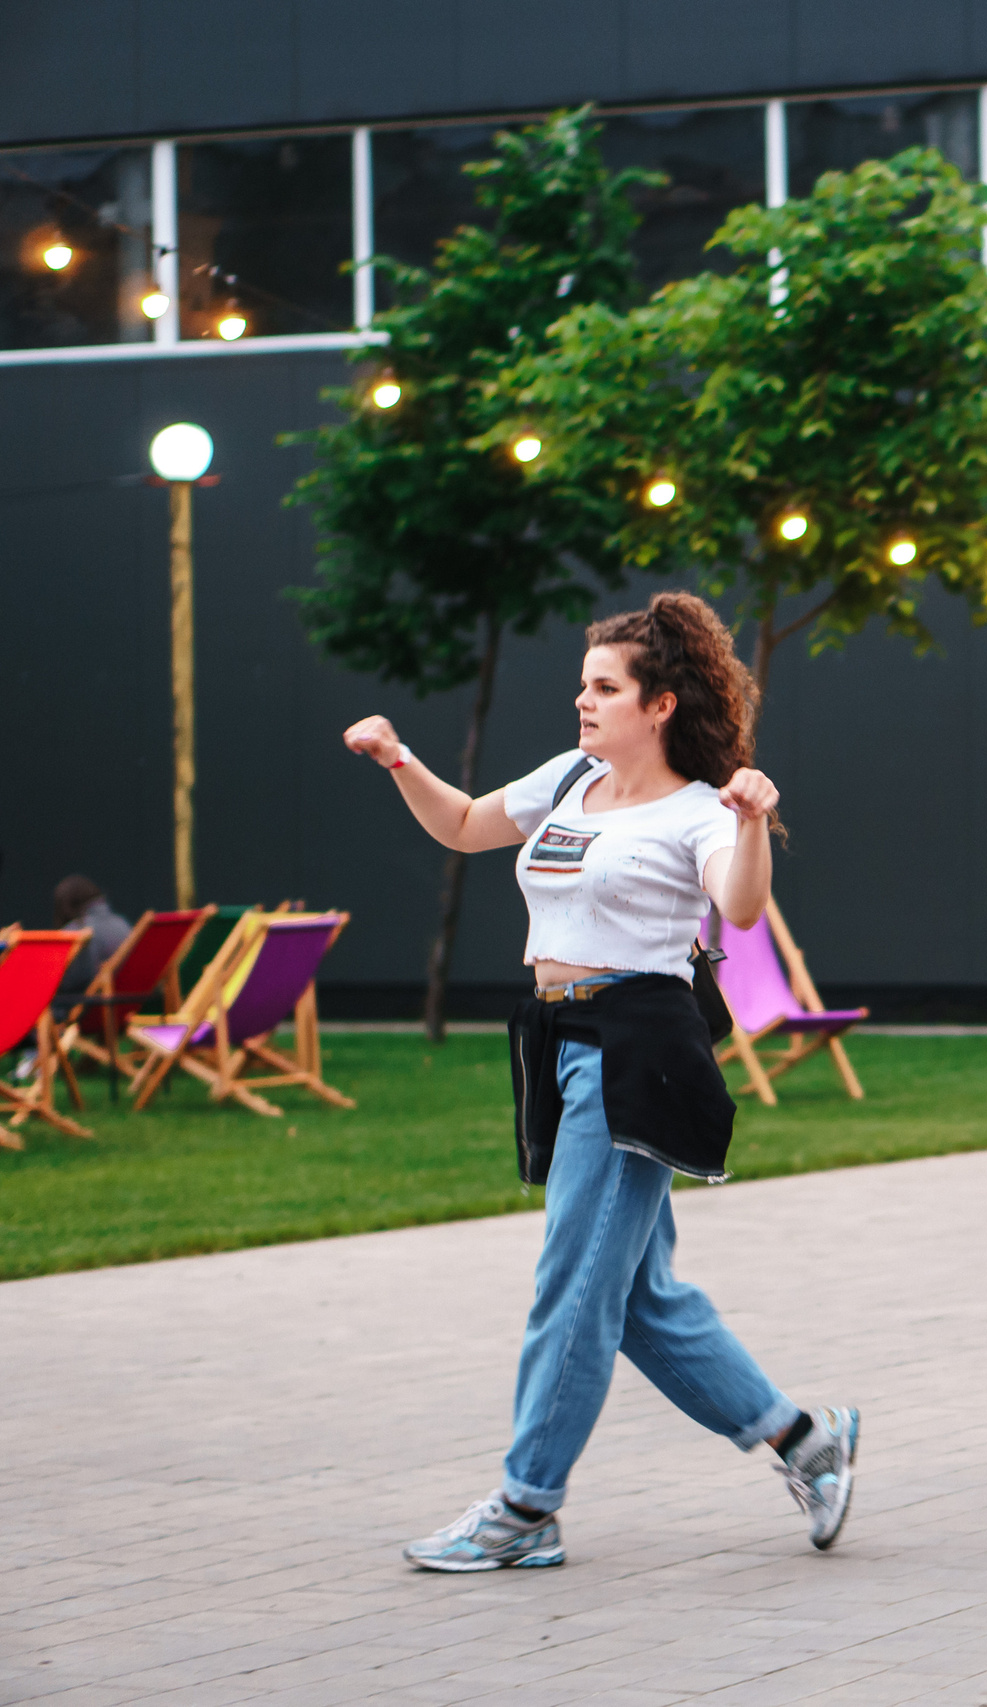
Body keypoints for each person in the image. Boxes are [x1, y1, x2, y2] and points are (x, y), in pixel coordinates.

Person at [344, 590, 856, 1571]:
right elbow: (460, 826)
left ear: (659, 704)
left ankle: (525, 1509)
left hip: (636, 1051)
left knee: (574, 1288)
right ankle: (806, 1442)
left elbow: (741, 908)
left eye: (605, 688)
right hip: (561, 1037)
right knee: (634, 1298)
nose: (584, 703)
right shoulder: (573, 778)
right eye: (582, 685)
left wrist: (753, 820)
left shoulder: (700, 812)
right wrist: (399, 759)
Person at [50, 875, 132, 1011]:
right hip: (125, 1005)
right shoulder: (123, 925)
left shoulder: (76, 933)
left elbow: (67, 982)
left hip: (90, 1009)